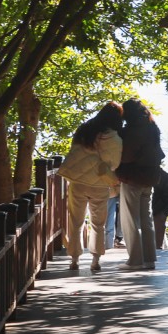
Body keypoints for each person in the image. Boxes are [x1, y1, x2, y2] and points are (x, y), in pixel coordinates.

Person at [57, 102, 123, 271]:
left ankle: (74, 259)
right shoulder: (114, 138)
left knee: (76, 221)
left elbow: (74, 152)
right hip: (99, 185)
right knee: (98, 223)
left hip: (78, 182)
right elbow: (114, 164)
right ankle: (95, 260)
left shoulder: (84, 130)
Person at [115, 99, 164, 270]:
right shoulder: (152, 126)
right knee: (146, 218)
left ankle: (135, 260)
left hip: (133, 176)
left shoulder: (133, 130)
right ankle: (149, 258)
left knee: (130, 219)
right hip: (150, 177)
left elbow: (127, 156)